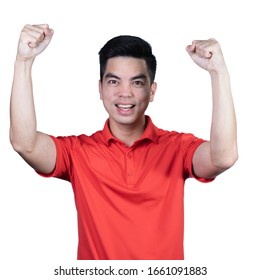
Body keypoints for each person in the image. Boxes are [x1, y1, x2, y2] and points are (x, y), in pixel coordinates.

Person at [10, 24, 238, 260]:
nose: (125, 93)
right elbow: (24, 143)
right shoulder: (78, 152)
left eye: (137, 83)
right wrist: (23, 62)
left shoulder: (177, 148)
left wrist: (218, 72)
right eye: (113, 82)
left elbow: (223, 157)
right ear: (100, 88)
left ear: (152, 91)